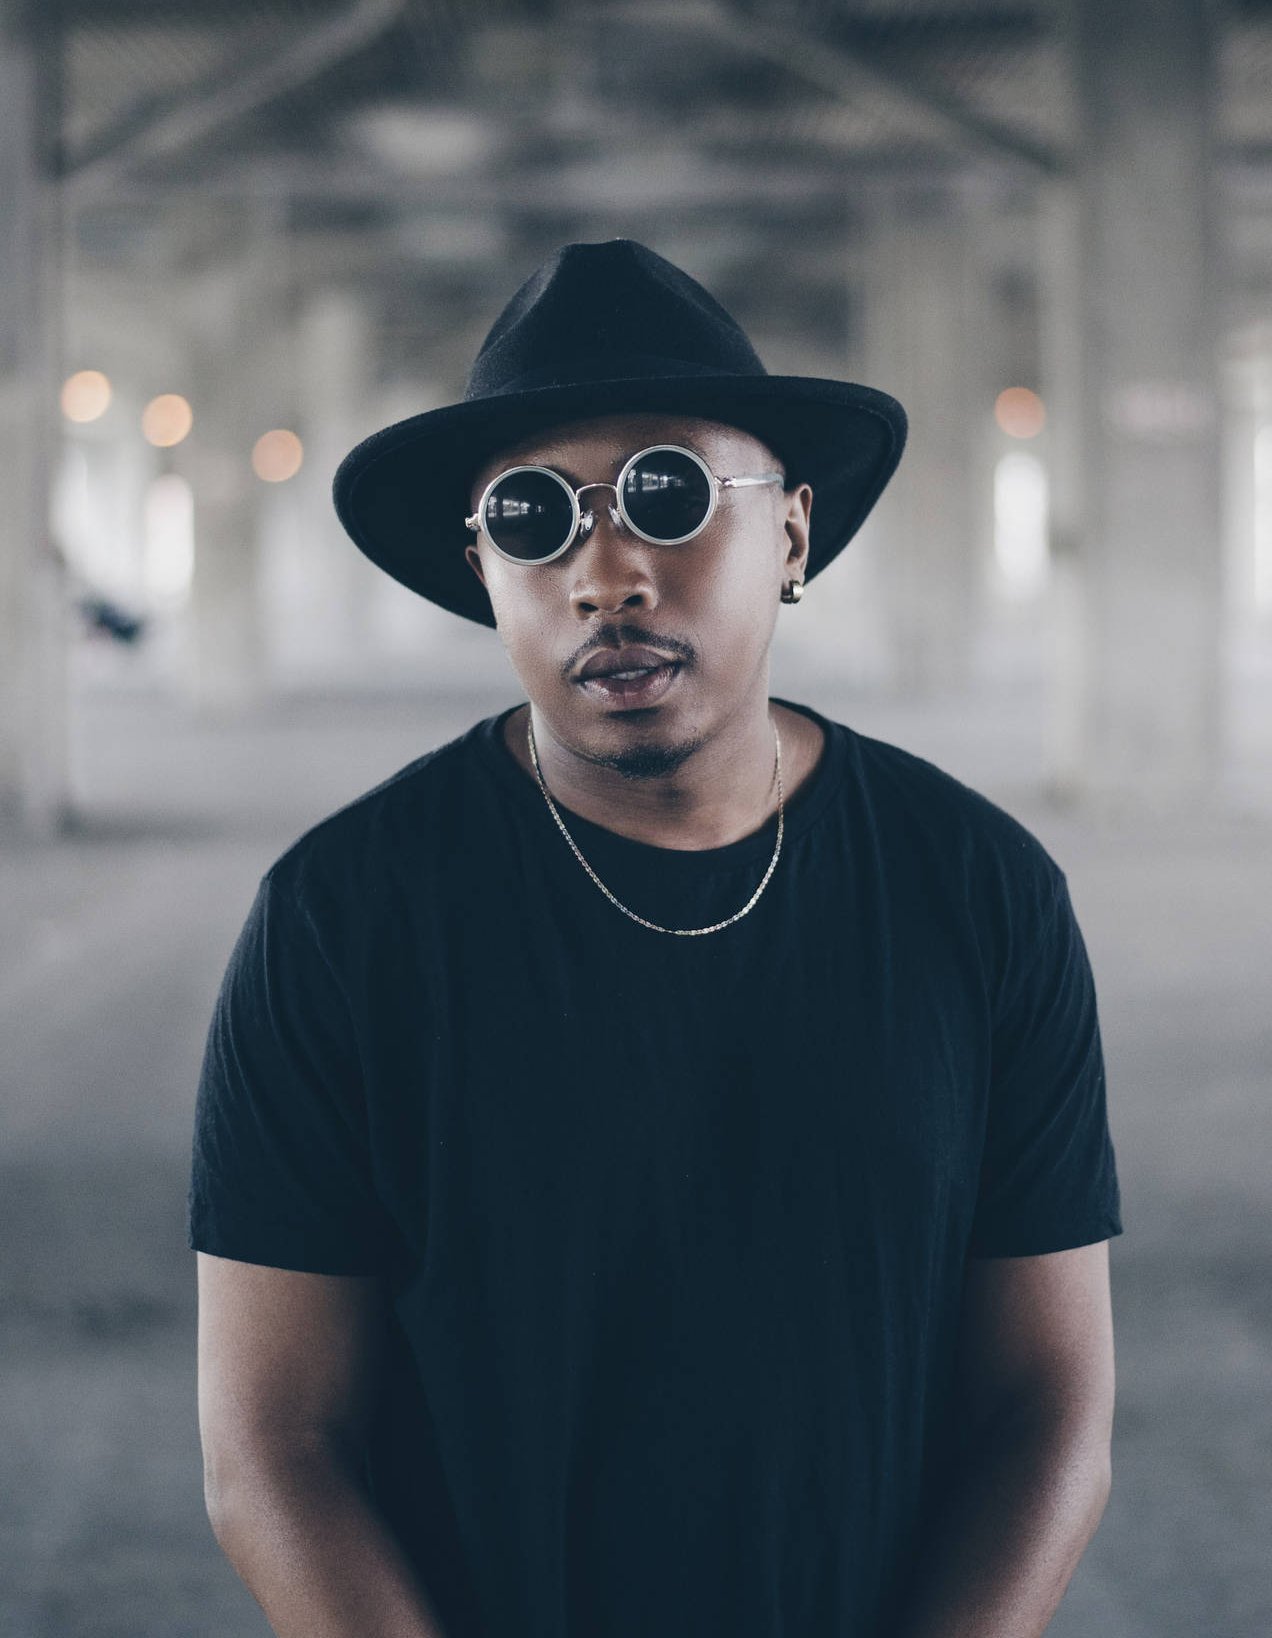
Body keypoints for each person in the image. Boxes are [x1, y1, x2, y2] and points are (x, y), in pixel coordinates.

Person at [189, 238, 1121, 1638]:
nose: (607, 570)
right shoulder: (343, 920)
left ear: (792, 532)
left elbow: (1045, 1409)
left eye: (669, 498)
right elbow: (275, 1450)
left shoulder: (980, 893)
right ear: (483, 570)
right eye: (532, 517)